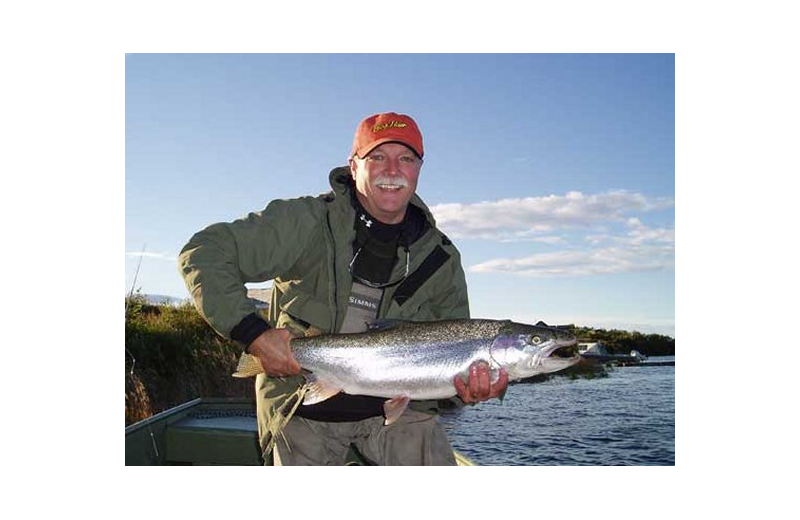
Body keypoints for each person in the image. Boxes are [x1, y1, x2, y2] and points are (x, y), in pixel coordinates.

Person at [178, 112, 508, 465]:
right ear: (354, 166)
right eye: (377, 157)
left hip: (400, 413)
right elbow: (203, 253)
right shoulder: (306, 222)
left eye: (406, 158)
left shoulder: (440, 258)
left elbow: (451, 364)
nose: (392, 169)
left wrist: (469, 391)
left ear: (419, 169)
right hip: (304, 405)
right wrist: (254, 334)